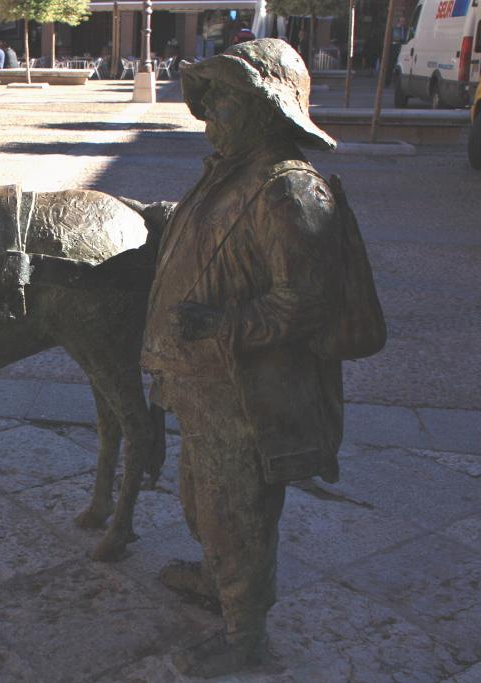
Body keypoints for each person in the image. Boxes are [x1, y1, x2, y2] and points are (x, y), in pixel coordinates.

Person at [138, 39, 382, 678]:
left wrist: (222, 325)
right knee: (201, 501)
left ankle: (244, 633)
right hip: (202, 384)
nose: (208, 114)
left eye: (224, 98)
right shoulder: (228, 173)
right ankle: (216, 577)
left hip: (246, 391)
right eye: (210, 96)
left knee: (237, 512)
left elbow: (306, 303)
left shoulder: (288, 191)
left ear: (267, 108)